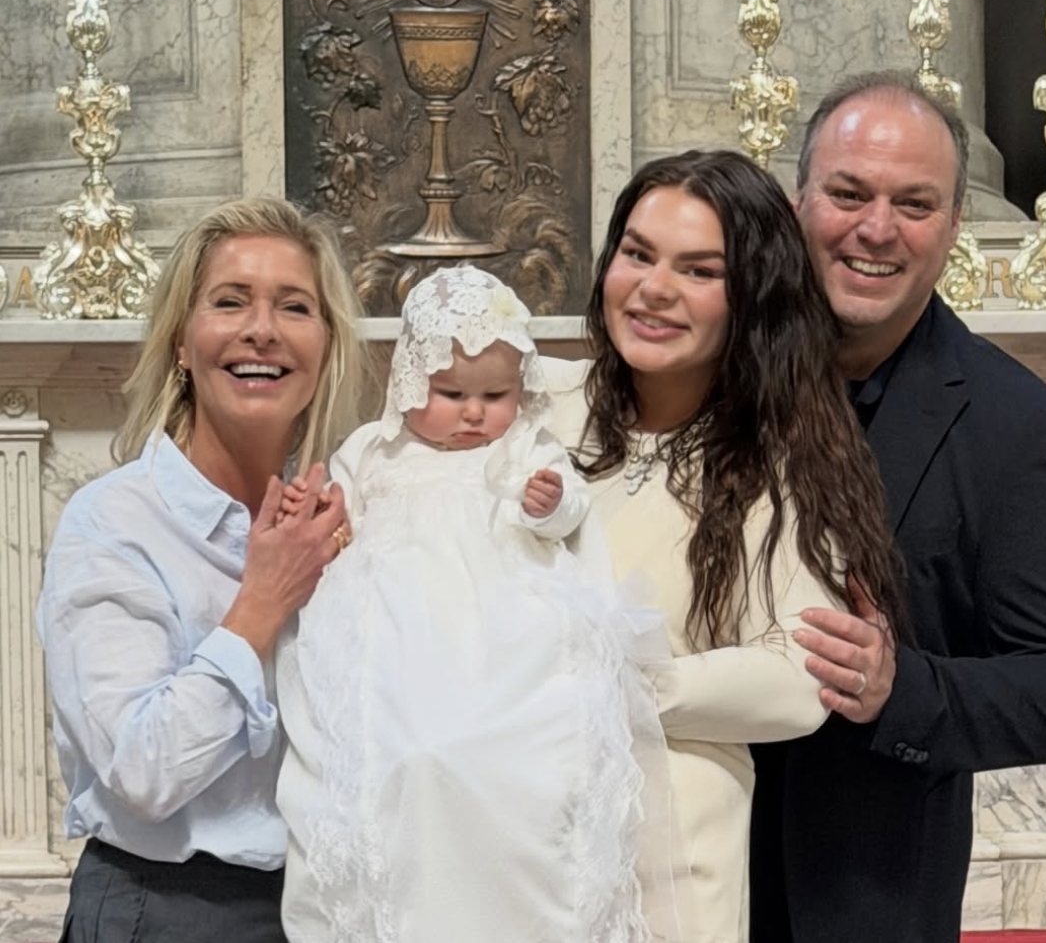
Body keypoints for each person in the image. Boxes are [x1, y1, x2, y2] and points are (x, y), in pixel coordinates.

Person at [748, 70, 1046, 943]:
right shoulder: (716, 373)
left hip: (863, 902)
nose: (876, 228)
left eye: (914, 204)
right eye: (848, 193)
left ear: (954, 228)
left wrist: (902, 687)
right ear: (798, 203)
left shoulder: (1012, 422)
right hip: (674, 871)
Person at [543, 149, 905, 943]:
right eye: (638, 254)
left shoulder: (788, 463)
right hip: (517, 835)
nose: (654, 289)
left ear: (753, 297)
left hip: (671, 858)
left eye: (700, 270)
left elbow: (799, 677)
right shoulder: (538, 406)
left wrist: (621, 687)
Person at [276, 266, 677, 943]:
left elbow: (570, 515)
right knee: (409, 754)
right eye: (450, 393)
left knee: (528, 758)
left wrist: (547, 504)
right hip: (404, 638)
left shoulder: (526, 448)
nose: (473, 413)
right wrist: (323, 513)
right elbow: (341, 524)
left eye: (495, 396)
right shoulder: (373, 451)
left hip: (505, 633)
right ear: (408, 383)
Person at [36, 198, 366, 943]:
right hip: (168, 907)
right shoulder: (113, 522)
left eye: (294, 306)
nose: (263, 329)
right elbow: (142, 772)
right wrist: (264, 601)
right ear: (182, 342)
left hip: (323, 901)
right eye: (230, 301)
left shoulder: (342, 517)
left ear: (325, 345)